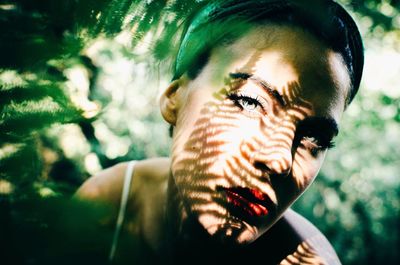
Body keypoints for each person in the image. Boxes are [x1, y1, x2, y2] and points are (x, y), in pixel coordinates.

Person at [74, 0, 364, 264]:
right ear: (174, 97)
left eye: (315, 138)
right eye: (250, 101)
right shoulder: (110, 202)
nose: (279, 161)